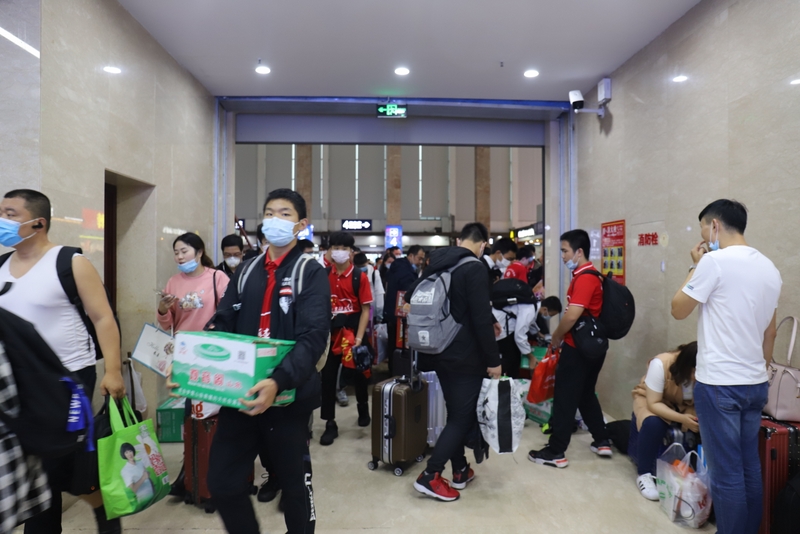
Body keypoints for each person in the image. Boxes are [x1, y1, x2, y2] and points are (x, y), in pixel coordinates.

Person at [170, 188, 330, 534]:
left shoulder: (310, 272)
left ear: (301, 224)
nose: (274, 220)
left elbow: (313, 336)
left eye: (285, 214)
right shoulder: (246, 271)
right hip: (240, 395)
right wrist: (188, 367)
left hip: (287, 398)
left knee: (294, 488)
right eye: (269, 213)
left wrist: (278, 381)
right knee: (222, 482)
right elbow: (223, 322)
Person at [0, 189, 126, 534]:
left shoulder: (70, 262)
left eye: (10, 214)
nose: (2, 220)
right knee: (36, 467)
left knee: (65, 465)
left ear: (37, 223)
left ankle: (107, 519)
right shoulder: (1, 266)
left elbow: (103, 318)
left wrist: (113, 370)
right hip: (20, 386)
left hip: (68, 381)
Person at [671, 199, 781, 534]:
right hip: (755, 383)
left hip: (720, 384)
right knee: (749, 467)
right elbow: (771, 332)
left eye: (703, 228)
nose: (704, 236)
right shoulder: (769, 268)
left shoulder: (713, 262)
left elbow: (678, 309)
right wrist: (758, 372)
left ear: (715, 225)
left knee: (726, 474)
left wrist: (694, 266)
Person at [411, 223, 501, 502]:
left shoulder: (437, 264)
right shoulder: (474, 267)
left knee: (455, 414)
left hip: (438, 349)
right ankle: (430, 475)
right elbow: (480, 317)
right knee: (462, 417)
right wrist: (494, 360)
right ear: (483, 244)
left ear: (459, 240)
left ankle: (460, 469)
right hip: (465, 356)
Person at [528, 229, 611, 469]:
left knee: (565, 397)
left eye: (565, 251)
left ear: (579, 252)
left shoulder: (585, 278)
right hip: (593, 347)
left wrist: (556, 335)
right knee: (585, 393)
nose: (563, 256)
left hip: (578, 349)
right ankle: (602, 439)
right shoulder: (593, 276)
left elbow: (572, 315)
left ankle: (556, 451)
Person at [320, 232, 374, 446]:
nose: (339, 252)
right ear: (329, 251)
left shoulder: (359, 276)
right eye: (335, 247)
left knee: (360, 374)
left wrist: (359, 337)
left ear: (352, 252)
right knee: (327, 378)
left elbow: (365, 309)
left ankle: (363, 408)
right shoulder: (324, 275)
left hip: (354, 333)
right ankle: (329, 423)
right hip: (331, 336)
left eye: (344, 248)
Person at [631, 342, 699, 501]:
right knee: (653, 423)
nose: (697, 377)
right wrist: (682, 419)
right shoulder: (661, 364)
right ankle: (644, 474)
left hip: (684, 405)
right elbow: (653, 403)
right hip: (653, 401)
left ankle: (694, 474)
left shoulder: (708, 373)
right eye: (694, 372)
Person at [157, 233, 230, 333]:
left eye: (184, 251)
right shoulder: (173, 282)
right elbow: (168, 325)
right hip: (182, 341)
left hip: (209, 340)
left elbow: (228, 313)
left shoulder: (218, 277)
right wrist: (162, 311)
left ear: (199, 252)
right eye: (176, 253)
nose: (180, 257)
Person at [385, 245, 425, 372]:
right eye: (419, 258)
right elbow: (408, 292)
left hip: (391, 313)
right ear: (411, 256)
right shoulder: (406, 272)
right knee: (401, 346)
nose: (420, 262)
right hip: (400, 316)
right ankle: (400, 372)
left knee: (393, 346)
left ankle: (393, 371)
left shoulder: (396, 267)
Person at [492, 285, 539, 379]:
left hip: (502, 323)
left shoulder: (532, 304)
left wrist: (540, 334)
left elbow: (531, 323)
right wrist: (531, 357)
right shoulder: (529, 310)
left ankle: (511, 380)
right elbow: (519, 336)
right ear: (545, 309)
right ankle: (492, 377)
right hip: (501, 327)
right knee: (509, 359)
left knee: (513, 358)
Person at [354, 252, 384, 321]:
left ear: (367, 262)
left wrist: (379, 317)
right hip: (356, 312)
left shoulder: (374, 274)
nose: (361, 269)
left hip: (372, 311)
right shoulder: (353, 275)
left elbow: (379, 295)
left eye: (363, 266)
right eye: (359, 267)